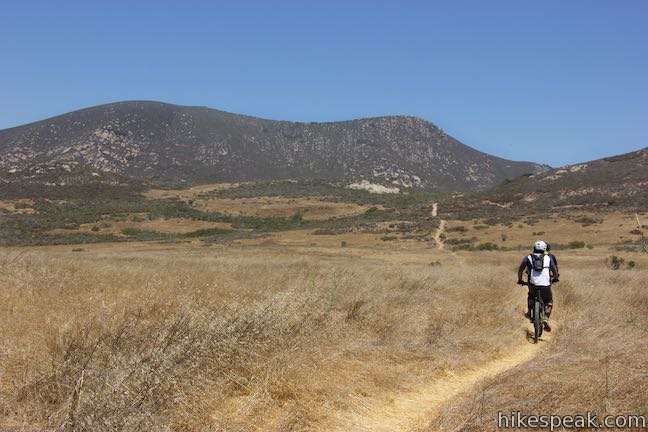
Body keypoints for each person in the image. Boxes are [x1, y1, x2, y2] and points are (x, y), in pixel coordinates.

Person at [517, 240, 558, 332]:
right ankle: (546, 318)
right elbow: (554, 271)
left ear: (534, 248)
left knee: (531, 295)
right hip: (546, 285)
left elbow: (520, 270)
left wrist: (520, 280)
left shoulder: (528, 257)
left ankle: (529, 312)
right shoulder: (548, 258)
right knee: (548, 301)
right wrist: (555, 278)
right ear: (544, 249)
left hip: (532, 284)